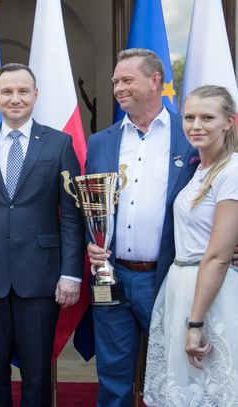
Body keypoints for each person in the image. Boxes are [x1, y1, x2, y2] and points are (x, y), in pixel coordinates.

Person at [0, 62, 85, 406]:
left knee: (37, 371)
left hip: (41, 276)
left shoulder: (59, 144)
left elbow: (72, 215)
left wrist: (71, 273)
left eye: (23, 91)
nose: (16, 98)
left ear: (35, 96)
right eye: (8, 92)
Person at [85, 48, 199, 407]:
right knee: (113, 376)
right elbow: (90, 209)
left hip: (166, 278)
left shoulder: (189, 137)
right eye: (116, 81)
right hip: (111, 277)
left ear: (155, 81)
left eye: (127, 80)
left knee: (175, 372)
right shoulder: (100, 142)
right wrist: (93, 243)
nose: (118, 87)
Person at [143, 85, 238, 406]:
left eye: (207, 117)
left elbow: (218, 257)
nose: (196, 125)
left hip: (213, 293)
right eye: (189, 117)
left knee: (213, 388)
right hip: (179, 285)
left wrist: (194, 322)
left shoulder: (232, 170)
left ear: (229, 122)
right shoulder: (196, 168)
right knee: (184, 389)